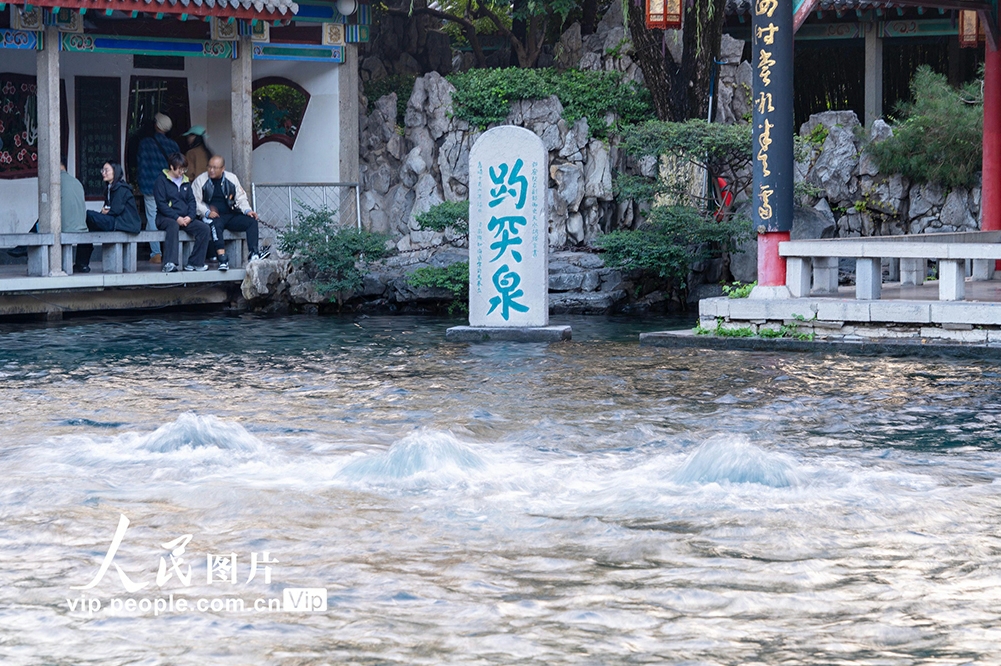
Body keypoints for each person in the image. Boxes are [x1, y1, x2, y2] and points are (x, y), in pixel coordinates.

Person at [192, 155, 267, 271]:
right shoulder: (201, 180)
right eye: (209, 167)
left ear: (223, 169)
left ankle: (254, 253)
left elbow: (241, 198)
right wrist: (206, 212)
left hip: (230, 214)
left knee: (251, 221)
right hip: (212, 216)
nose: (211, 170)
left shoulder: (231, 178)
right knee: (215, 224)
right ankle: (222, 259)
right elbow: (195, 201)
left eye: (215, 168)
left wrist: (247, 210)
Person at [76, 161, 142, 272]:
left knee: (89, 215)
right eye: (102, 170)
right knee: (88, 222)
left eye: (107, 170)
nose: (103, 173)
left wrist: (104, 212)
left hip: (124, 223)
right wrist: (104, 212)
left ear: (115, 172)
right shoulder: (109, 188)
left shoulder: (121, 189)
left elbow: (115, 210)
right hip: (114, 220)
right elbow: (108, 210)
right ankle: (81, 263)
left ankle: (82, 263)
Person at [153, 152, 211, 273]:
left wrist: (190, 216)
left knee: (204, 229)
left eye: (184, 169)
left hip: (185, 218)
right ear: (171, 167)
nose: (182, 172)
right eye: (179, 169)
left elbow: (192, 201)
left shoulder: (185, 181)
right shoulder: (161, 180)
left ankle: (195, 262)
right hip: (165, 217)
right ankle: (169, 263)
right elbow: (161, 204)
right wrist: (176, 217)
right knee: (173, 225)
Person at [137, 113, 179, 264]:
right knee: (169, 217)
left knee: (152, 217)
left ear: (156, 125)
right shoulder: (174, 146)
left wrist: (140, 183)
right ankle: (170, 252)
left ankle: (156, 253)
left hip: (150, 187)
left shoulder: (146, 143)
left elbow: (141, 165)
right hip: (169, 188)